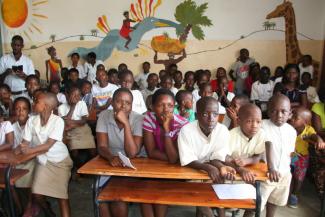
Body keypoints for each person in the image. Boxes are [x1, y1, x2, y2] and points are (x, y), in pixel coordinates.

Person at [14, 92, 72, 217]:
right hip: (44, 161)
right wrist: (14, 153)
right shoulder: (32, 121)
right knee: (37, 193)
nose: (33, 103)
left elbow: (48, 145)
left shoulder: (58, 121)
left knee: (61, 196)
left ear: (45, 106)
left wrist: (28, 151)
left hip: (60, 161)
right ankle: (48, 211)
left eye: (37, 101)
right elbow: (24, 142)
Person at [178, 96, 236, 217]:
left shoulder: (222, 130)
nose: (211, 119)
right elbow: (187, 159)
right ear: (197, 114)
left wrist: (219, 168)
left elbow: (218, 156)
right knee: (197, 192)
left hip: (212, 166)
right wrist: (208, 168)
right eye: (205, 114)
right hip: (192, 170)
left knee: (220, 182)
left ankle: (221, 214)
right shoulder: (186, 131)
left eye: (215, 114)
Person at [96, 88, 143, 217]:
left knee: (118, 197)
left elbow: (132, 152)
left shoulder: (138, 119)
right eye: (119, 101)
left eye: (128, 103)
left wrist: (126, 124)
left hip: (133, 164)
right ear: (112, 103)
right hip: (110, 160)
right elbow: (102, 146)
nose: (123, 106)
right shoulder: (104, 116)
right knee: (101, 198)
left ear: (132, 105)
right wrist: (110, 157)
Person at [142, 88, 188, 217]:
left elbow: (174, 159)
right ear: (152, 106)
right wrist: (170, 157)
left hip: (175, 169)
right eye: (161, 105)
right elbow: (151, 152)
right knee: (144, 193)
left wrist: (167, 129)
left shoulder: (182, 124)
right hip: (153, 164)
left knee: (159, 189)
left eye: (170, 105)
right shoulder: (149, 118)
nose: (166, 109)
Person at [226, 104, 266, 217]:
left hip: (251, 174)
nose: (254, 126)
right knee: (229, 201)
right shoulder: (231, 135)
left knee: (256, 201)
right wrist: (241, 169)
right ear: (238, 121)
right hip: (233, 172)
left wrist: (248, 160)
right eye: (249, 121)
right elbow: (225, 158)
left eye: (258, 122)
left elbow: (259, 156)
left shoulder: (261, 134)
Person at [261, 94, 297, 217]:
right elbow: (266, 145)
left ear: (290, 113)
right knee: (255, 206)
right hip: (264, 175)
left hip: (283, 174)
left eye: (283, 111)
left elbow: (289, 154)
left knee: (274, 202)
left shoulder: (292, 131)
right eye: (274, 111)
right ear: (268, 111)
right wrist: (270, 168)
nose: (279, 115)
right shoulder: (262, 126)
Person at [288, 107, 325, 208]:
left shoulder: (309, 130)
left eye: (296, 117)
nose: (292, 119)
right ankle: (285, 193)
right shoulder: (288, 127)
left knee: (299, 178)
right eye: (292, 115)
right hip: (289, 155)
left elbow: (314, 136)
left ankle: (294, 195)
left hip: (301, 157)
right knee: (288, 175)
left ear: (305, 122)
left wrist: (319, 140)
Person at [58, 86, 96, 176]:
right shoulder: (61, 107)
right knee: (74, 151)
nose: (76, 97)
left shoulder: (82, 103)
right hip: (70, 131)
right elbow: (65, 124)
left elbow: (83, 121)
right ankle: (80, 168)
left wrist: (71, 123)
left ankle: (92, 168)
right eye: (73, 95)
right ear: (67, 95)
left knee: (93, 150)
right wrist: (73, 107)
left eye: (78, 95)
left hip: (83, 129)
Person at [12, 97, 38, 216]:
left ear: (29, 111)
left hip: (33, 157)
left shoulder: (34, 123)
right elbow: (13, 148)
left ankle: (29, 206)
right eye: (17, 109)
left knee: (29, 175)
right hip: (18, 159)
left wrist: (19, 159)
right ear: (13, 111)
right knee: (9, 179)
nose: (20, 112)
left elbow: (36, 150)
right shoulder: (12, 127)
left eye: (24, 109)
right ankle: (19, 208)